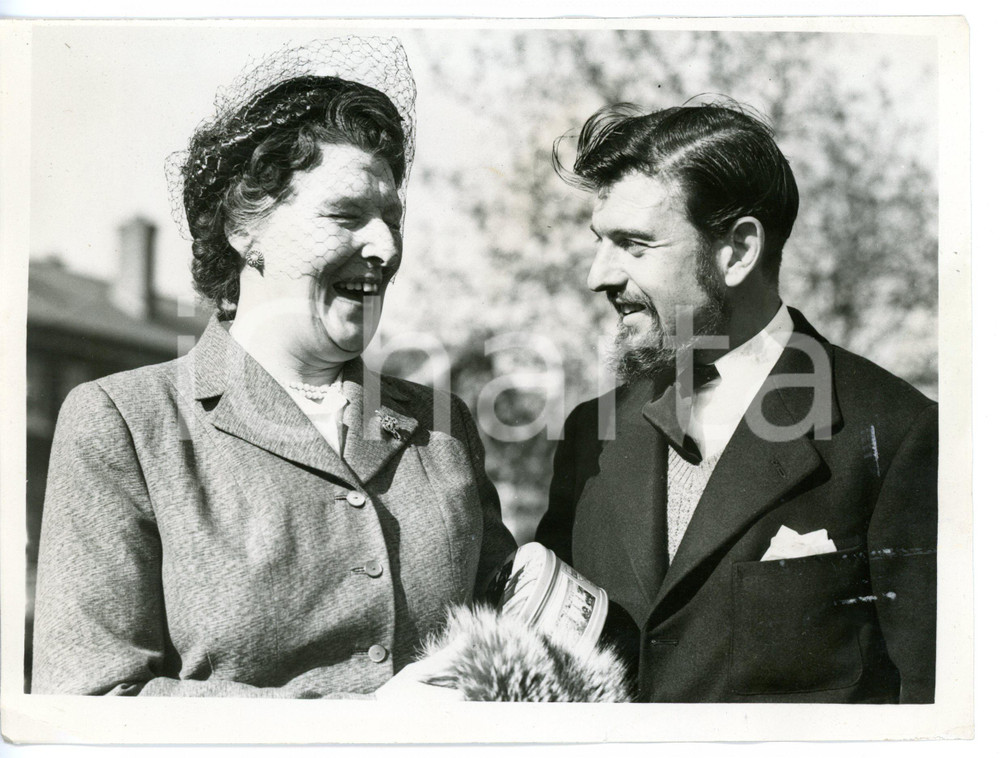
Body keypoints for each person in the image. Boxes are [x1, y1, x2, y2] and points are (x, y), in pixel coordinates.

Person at [31, 38, 515, 698]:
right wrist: (356, 727)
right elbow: (94, 697)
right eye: (346, 214)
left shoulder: (443, 427)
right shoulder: (123, 422)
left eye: (392, 218)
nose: (385, 246)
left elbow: (502, 644)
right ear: (243, 228)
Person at [535, 101, 937, 703]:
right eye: (600, 242)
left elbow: (939, 705)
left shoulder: (896, 433)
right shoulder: (591, 433)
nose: (599, 275)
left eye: (634, 244)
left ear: (738, 250)